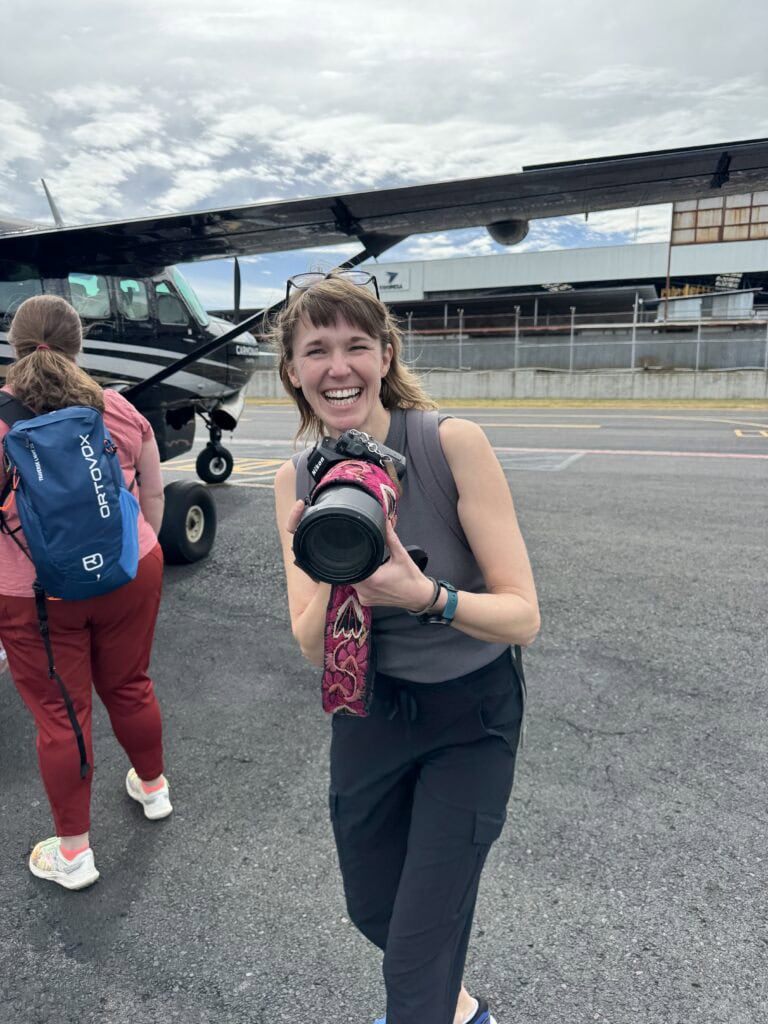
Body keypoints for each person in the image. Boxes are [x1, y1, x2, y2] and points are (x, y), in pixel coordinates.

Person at [273, 272, 540, 1024]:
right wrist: (331, 556)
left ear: (386, 355)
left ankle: (432, 1000)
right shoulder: (295, 482)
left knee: (412, 971)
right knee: (374, 911)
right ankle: (459, 1007)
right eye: (316, 350)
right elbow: (306, 644)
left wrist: (426, 596)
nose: (338, 367)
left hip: (470, 716)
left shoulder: (449, 443)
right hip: (368, 713)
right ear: (292, 371)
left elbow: (523, 616)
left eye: (357, 345)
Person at [0, 294, 172, 891]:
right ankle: (153, 789)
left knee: (60, 715)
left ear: (15, 345)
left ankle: (73, 853)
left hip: (37, 594)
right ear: (80, 344)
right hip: (131, 569)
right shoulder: (121, 410)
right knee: (129, 684)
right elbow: (152, 499)